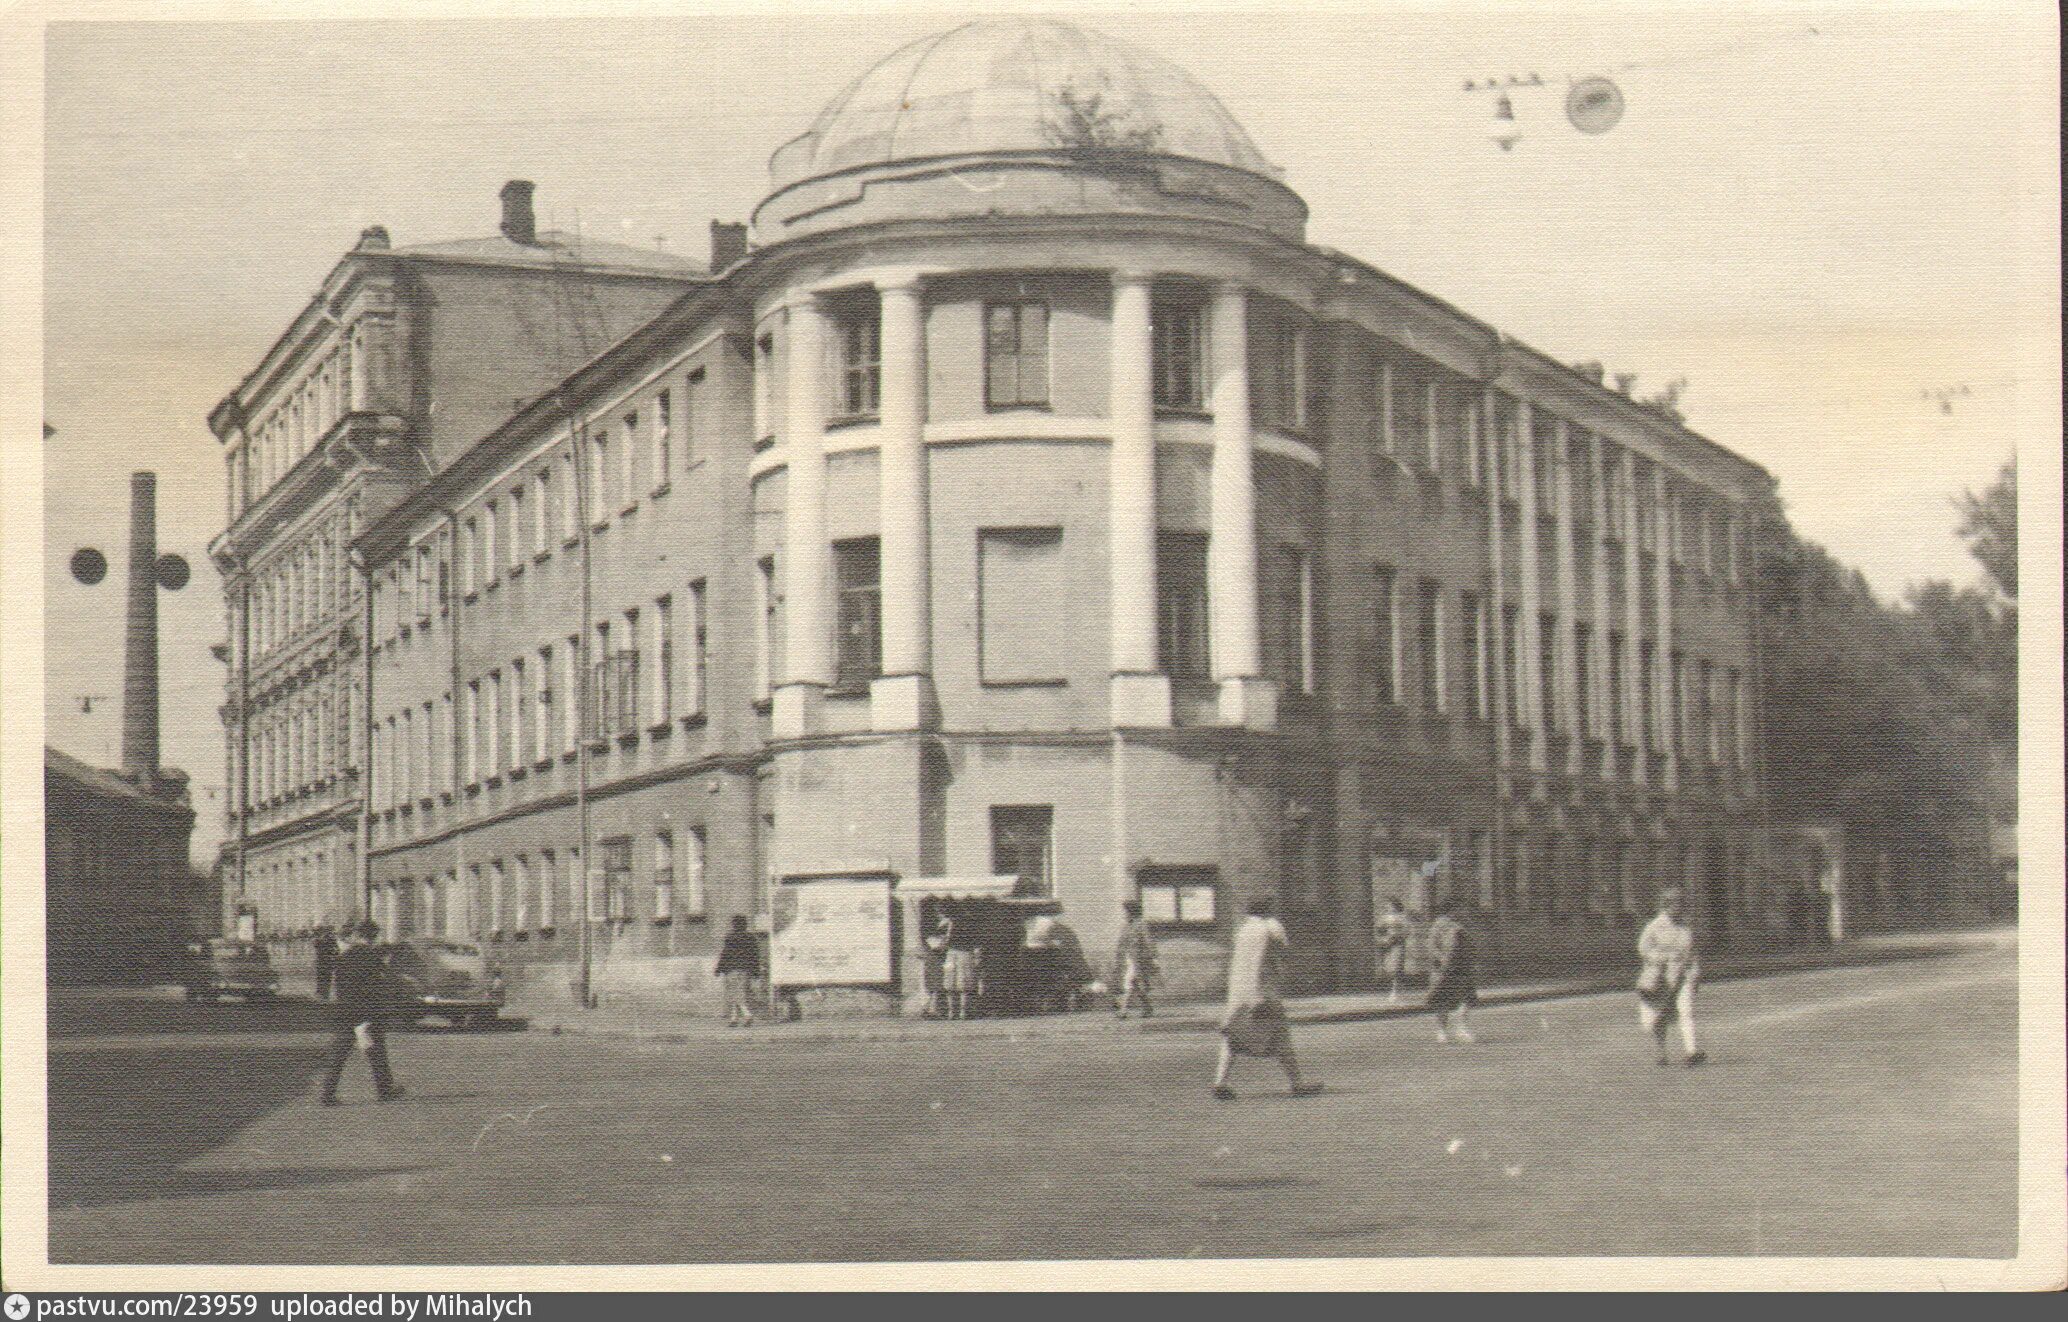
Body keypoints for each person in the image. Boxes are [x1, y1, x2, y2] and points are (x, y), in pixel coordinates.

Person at [1212, 896, 1321, 1100]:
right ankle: (1297, 1083)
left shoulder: (1243, 930)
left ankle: (1220, 1081)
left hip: (1238, 992)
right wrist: (1258, 995)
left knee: (1232, 1036)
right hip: (1261, 991)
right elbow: (1270, 957)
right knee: (1281, 1035)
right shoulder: (1267, 928)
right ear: (1267, 910)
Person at [319, 921, 403, 1106]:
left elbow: (337, 984)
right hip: (367, 1012)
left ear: (358, 935)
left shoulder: (344, 956)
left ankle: (327, 1093)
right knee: (376, 1051)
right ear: (373, 936)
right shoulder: (373, 957)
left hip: (345, 1012)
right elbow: (380, 985)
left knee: (338, 1053)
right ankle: (385, 1089)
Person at [1636, 886, 1707, 1067]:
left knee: (1686, 1011)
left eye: (1683, 905)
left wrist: (1696, 969)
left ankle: (1691, 1052)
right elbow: (1643, 949)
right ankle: (1662, 1052)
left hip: (1684, 976)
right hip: (1662, 978)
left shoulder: (1686, 927)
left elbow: (1693, 951)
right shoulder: (1653, 927)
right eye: (1677, 905)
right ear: (1666, 906)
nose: (1681, 909)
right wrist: (1663, 957)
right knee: (1658, 1016)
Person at [1425, 900, 1479, 1044]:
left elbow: (1470, 946)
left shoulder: (1461, 924)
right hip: (1444, 968)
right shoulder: (1439, 925)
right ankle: (1442, 1031)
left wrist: (1473, 961)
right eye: (1460, 909)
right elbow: (1431, 946)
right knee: (1443, 999)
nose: (1463, 912)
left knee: (1466, 998)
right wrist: (1441, 959)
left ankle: (1461, 1028)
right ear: (1452, 909)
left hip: (1462, 967)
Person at [1112, 901, 1159, 1019]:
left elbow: (1149, 942)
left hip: (1138, 959)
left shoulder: (1141, 924)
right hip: (1127, 959)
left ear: (1131, 912)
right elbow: (1121, 943)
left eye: (1126, 911)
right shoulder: (1126, 926)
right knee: (1136, 984)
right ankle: (1148, 1008)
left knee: (1129, 982)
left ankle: (1123, 1010)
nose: (1124, 914)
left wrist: (1153, 957)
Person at [714, 915, 762, 1027]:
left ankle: (747, 1014)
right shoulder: (751, 937)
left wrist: (718, 969)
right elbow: (755, 955)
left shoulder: (730, 937)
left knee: (734, 993)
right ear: (745, 925)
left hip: (732, 969)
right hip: (746, 969)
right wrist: (756, 971)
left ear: (734, 925)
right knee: (739, 992)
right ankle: (734, 1019)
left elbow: (725, 954)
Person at [941, 913, 980, 1021]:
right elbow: (977, 944)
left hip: (959, 953)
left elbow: (944, 943)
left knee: (957, 984)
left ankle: (956, 1012)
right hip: (958, 954)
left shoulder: (950, 924)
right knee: (957, 983)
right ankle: (956, 1012)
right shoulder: (950, 925)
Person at [1373, 898, 1410, 1003]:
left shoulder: (1402, 917)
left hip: (1398, 943)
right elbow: (1379, 928)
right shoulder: (1385, 917)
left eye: (1391, 905)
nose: (1389, 907)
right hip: (1387, 944)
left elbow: (1407, 930)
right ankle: (1395, 988)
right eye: (1387, 905)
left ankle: (1395, 990)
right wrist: (1383, 937)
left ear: (1396, 906)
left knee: (1397, 966)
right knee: (1388, 967)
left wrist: (1398, 936)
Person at [312, 924, 338, 1001]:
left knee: (324, 977)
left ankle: (323, 993)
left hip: (325, 961)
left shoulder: (326, 939)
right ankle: (322, 993)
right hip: (324, 960)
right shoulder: (320, 939)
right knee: (323, 977)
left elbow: (335, 949)